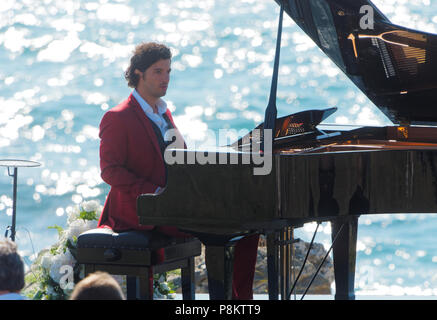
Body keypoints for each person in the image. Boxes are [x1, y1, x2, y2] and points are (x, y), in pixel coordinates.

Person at [97, 42, 259, 299]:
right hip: (140, 211)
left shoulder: (163, 112)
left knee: (249, 224)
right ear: (138, 74)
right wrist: (157, 192)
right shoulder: (118, 116)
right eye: (158, 72)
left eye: (169, 71)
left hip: (173, 206)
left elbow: (183, 160)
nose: (166, 79)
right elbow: (110, 171)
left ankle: (241, 301)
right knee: (225, 226)